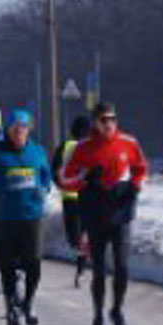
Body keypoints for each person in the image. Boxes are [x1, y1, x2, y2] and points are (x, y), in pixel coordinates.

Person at [60, 101, 148, 325]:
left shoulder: (128, 143)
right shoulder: (83, 148)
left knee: (122, 266)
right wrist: (86, 177)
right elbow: (65, 179)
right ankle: (98, 315)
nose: (109, 124)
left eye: (112, 119)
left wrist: (134, 187)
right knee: (99, 271)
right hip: (95, 213)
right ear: (95, 123)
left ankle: (116, 310)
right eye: (103, 120)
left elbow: (141, 167)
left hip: (120, 212)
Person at [0, 109, 52, 325]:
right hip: (7, 217)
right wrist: (3, 185)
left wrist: (43, 189)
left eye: (23, 128)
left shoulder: (38, 152)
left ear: (28, 130)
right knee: (8, 266)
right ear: (9, 131)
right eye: (15, 129)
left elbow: (46, 178)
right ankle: (11, 307)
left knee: (34, 264)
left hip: (33, 216)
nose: (20, 132)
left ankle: (28, 303)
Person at [52, 115, 92, 286]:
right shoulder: (89, 147)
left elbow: (54, 169)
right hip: (84, 196)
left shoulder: (65, 146)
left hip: (71, 197)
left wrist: (60, 184)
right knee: (81, 234)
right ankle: (82, 264)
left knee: (74, 237)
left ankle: (81, 267)